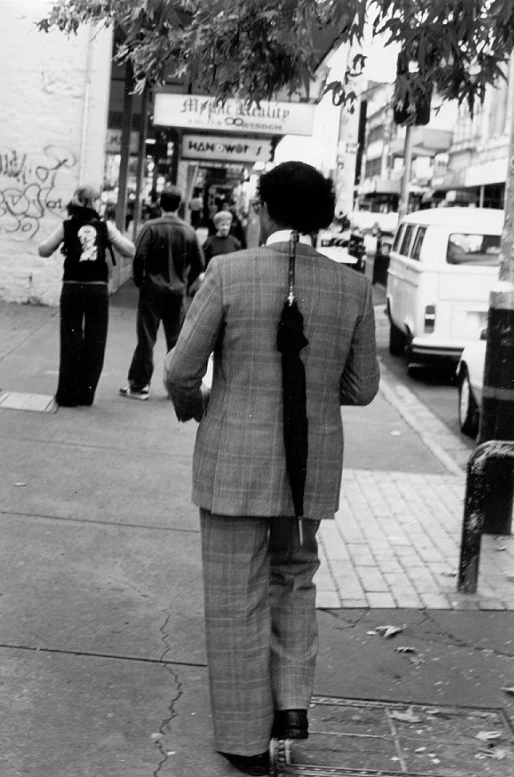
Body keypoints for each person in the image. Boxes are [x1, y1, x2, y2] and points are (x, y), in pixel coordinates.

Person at [163, 161, 379, 776]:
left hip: (233, 463)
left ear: (263, 209)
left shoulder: (228, 272)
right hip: (309, 471)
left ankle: (243, 741)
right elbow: (361, 389)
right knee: (293, 582)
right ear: (323, 216)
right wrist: (306, 392)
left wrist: (198, 407)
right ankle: (290, 711)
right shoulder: (353, 286)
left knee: (235, 597)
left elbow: (181, 369)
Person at [38, 185, 135, 407]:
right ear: (91, 202)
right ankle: (86, 394)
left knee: (70, 337)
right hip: (97, 288)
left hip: (71, 287)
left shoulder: (66, 226)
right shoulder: (105, 227)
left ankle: (67, 394)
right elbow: (129, 250)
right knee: (95, 339)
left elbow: (44, 250)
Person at [119, 186, 204, 401]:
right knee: (175, 340)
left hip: (152, 291)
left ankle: (139, 386)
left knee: (147, 338)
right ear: (180, 204)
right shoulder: (188, 230)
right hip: (176, 292)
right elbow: (199, 263)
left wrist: (141, 280)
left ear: (159, 203)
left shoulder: (150, 227)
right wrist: (186, 282)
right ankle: (175, 388)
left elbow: (139, 257)